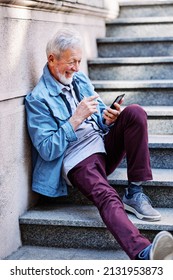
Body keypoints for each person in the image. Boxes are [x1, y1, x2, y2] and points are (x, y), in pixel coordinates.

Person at [25, 28, 173, 260]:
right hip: (77, 160)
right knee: (107, 196)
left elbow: (99, 115)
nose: (76, 67)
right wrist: (75, 119)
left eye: (79, 61)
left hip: (101, 144)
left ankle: (135, 192)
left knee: (134, 113)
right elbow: (46, 148)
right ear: (52, 59)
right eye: (71, 61)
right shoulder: (37, 99)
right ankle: (142, 252)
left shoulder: (79, 79)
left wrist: (106, 119)